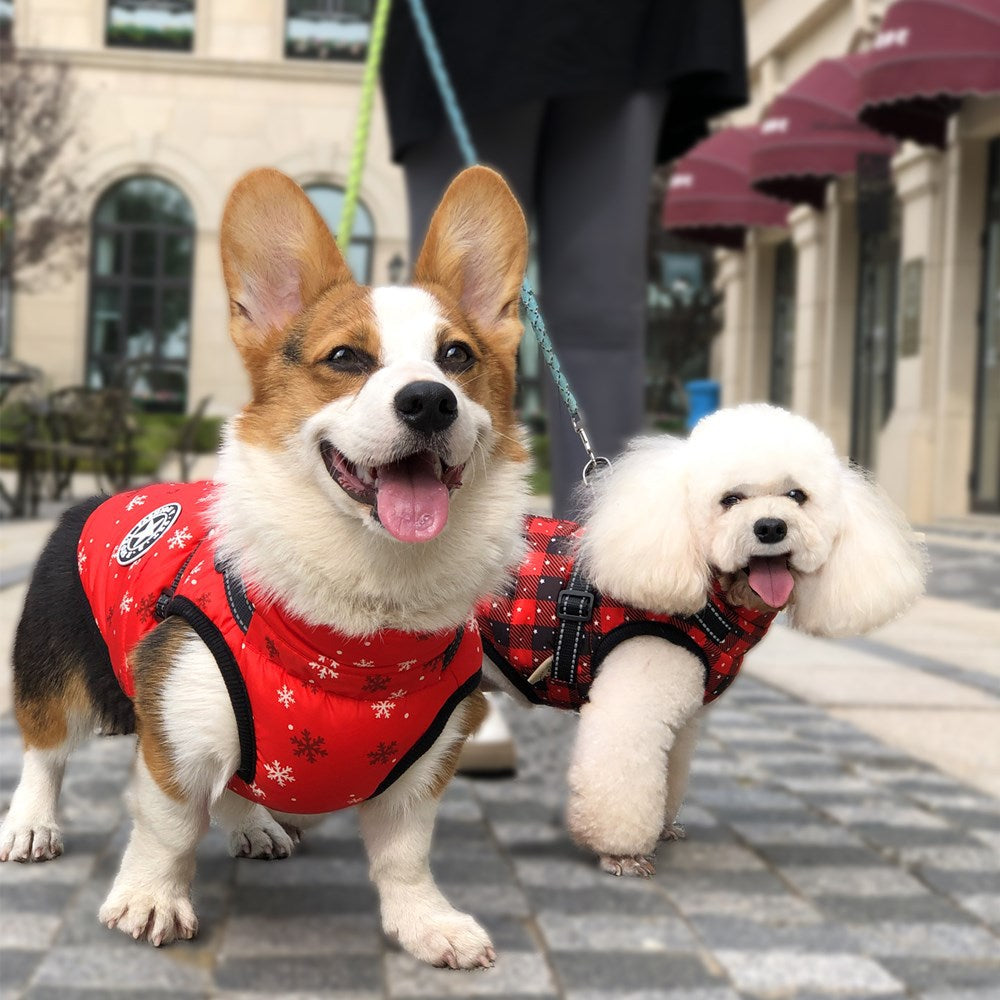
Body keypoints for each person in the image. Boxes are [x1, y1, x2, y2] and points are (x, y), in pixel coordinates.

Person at [381, 0, 749, 769]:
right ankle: (431, 655)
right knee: (454, 318)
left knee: (599, 319)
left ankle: (620, 644)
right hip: (476, 23)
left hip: (627, 27)